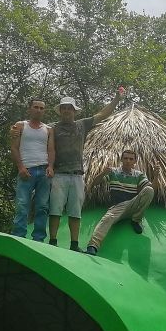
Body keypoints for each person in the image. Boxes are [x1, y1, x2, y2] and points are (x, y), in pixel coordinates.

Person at [48, 87, 126, 251]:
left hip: (77, 174)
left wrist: (116, 99)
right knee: (55, 209)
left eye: (70, 108)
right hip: (59, 174)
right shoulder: (52, 128)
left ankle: (74, 244)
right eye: (64, 108)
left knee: (75, 211)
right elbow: (34, 127)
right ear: (60, 111)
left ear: (74, 111)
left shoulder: (82, 125)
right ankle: (52, 241)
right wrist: (18, 128)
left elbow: (102, 114)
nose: (67, 111)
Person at [86, 149, 154, 256]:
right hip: (116, 208)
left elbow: (151, 190)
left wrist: (157, 175)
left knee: (149, 189)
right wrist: (103, 173)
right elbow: (95, 183)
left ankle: (136, 220)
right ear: (121, 159)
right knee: (106, 219)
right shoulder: (113, 172)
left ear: (135, 161)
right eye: (125, 158)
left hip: (132, 204)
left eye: (131, 159)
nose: (128, 161)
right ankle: (92, 246)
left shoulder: (139, 175)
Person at [9, 98, 53, 241]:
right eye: (36, 107)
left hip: (44, 170)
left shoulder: (48, 129)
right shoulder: (20, 125)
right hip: (26, 170)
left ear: (44, 111)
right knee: (22, 204)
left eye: (41, 108)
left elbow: (51, 150)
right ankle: (19, 236)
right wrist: (20, 167)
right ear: (29, 109)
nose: (38, 110)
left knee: (43, 206)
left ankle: (39, 238)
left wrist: (51, 166)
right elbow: (14, 148)